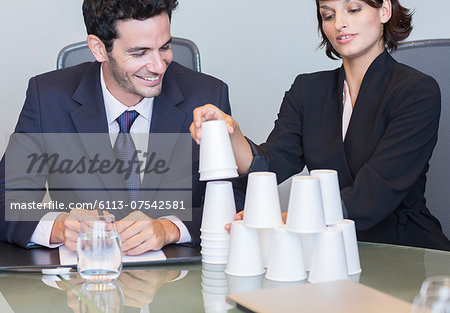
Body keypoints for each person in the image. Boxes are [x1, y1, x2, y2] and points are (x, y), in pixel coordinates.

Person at [191, 0, 450, 250]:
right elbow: (271, 165)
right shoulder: (307, 90)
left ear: (384, 10)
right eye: (328, 15)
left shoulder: (416, 90)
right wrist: (230, 132)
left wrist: (289, 217)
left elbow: (374, 193)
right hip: (326, 246)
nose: (340, 23)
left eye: (353, 9)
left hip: (401, 247)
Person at [0, 0, 236, 255]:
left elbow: (239, 201)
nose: (158, 66)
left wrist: (170, 228)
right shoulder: (47, 98)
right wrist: (60, 226)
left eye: (165, 47)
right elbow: (6, 201)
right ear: (99, 49)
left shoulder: (207, 96)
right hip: (85, 281)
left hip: (178, 277)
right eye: (139, 53)